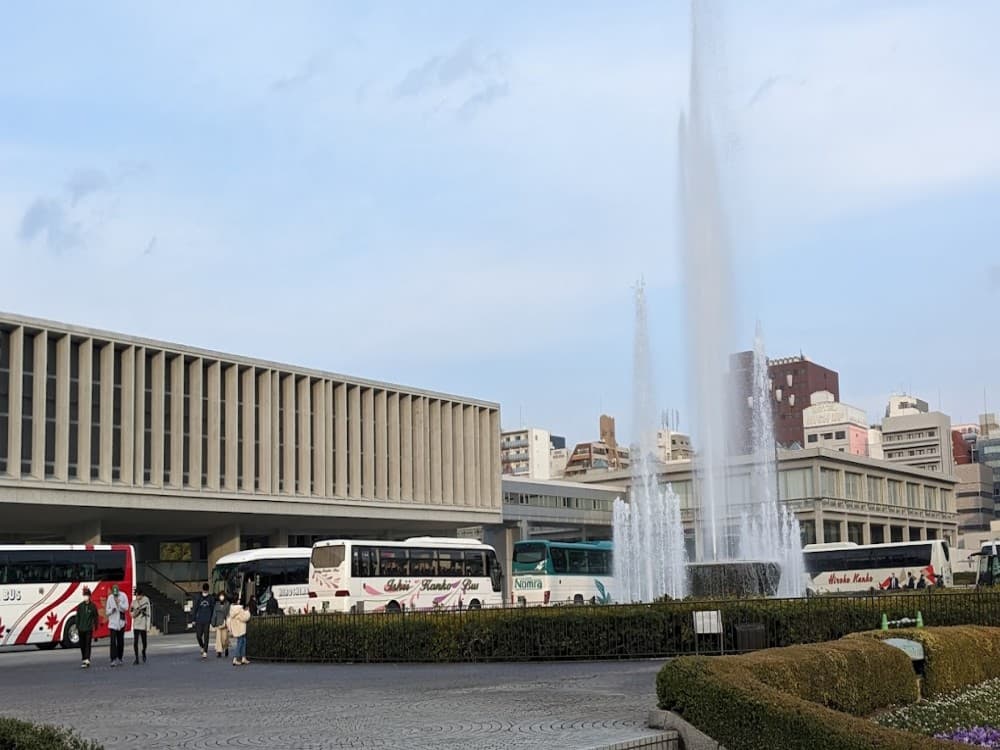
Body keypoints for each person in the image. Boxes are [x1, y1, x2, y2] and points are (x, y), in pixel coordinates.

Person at [105, 584, 129, 667]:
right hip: (112, 623)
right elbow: (107, 612)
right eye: (114, 594)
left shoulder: (123, 596)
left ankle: (120, 657)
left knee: (120, 641)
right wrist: (112, 610)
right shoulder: (110, 598)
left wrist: (119, 603)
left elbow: (126, 608)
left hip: (121, 623)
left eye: (117, 594)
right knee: (112, 642)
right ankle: (113, 659)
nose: (115, 596)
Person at [75, 587, 99, 669]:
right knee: (82, 645)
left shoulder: (92, 606)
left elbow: (95, 617)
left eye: (86, 595)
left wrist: (96, 626)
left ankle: (87, 659)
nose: (85, 597)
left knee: (88, 644)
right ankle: (83, 658)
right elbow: (77, 617)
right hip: (81, 628)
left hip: (88, 629)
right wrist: (77, 626)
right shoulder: (80, 606)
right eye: (84, 595)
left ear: (89, 596)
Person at [226, 599, 251, 666]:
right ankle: (236, 658)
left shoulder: (232, 609)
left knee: (242, 641)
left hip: (236, 628)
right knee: (241, 643)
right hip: (241, 627)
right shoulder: (240, 609)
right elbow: (245, 618)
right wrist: (247, 611)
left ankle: (243, 657)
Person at [193, 583, 214, 659]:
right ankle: (202, 646)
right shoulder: (198, 597)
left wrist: (212, 619)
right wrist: (193, 619)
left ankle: (205, 651)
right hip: (199, 619)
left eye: (206, 590)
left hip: (207, 620)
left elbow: (212, 609)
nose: (205, 591)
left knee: (206, 636)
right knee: (198, 635)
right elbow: (195, 608)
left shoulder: (211, 598)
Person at [131, 587, 151, 664]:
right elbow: (131, 614)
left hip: (143, 624)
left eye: (138, 595)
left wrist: (148, 625)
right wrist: (136, 612)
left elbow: (148, 614)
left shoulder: (146, 600)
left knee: (144, 642)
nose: (137, 597)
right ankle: (136, 658)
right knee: (135, 642)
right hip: (136, 624)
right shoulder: (133, 602)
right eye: (136, 595)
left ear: (142, 595)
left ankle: (143, 651)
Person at [211, 591, 231, 659]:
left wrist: (229, 623)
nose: (221, 597)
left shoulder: (227, 604)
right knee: (218, 639)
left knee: (225, 638)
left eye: (223, 596)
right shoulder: (216, 604)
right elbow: (214, 614)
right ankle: (219, 651)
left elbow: (229, 614)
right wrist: (213, 622)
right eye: (220, 596)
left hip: (225, 623)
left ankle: (226, 647)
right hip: (218, 623)